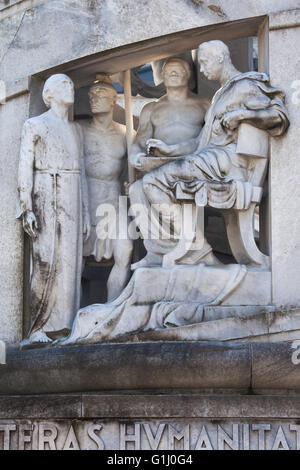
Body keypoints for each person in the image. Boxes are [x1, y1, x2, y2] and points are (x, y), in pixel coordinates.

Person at [130, 41, 289, 268]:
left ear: (220, 58)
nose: (202, 70)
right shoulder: (220, 95)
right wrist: (170, 150)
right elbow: (200, 142)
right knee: (149, 183)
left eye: (204, 63)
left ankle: (195, 248)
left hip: (227, 164)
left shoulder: (244, 86)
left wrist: (242, 115)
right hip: (211, 159)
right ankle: (191, 248)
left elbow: (277, 115)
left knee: (153, 181)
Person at [17, 74, 90, 345]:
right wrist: (27, 208)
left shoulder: (76, 129)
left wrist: (86, 212)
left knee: (71, 262)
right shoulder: (35, 125)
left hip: (72, 192)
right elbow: (25, 165)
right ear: (48, 94)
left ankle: (65, 326)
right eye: (63, 84)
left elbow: (81, 170)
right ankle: (38, 326)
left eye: (71, 83)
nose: (69, 87)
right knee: (46, 260)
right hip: (46, 191)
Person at [129, 57, 211, 268]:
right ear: (162, 77)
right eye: (169, 71)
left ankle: (191, 246)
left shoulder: (204, 104)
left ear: (188, 75)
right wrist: (136, 157)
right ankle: (156, 251)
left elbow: (209, 140)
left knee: (153, 186)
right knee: (136, 190)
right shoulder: (151, 109)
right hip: (158, 167)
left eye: (179, 70)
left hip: (193, 167)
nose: (174, 74)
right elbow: (138, 142)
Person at [81, 77, 133, 301]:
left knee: (125, 250)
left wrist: (134, 182)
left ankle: (112, 310)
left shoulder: (126, 132)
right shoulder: (79, 130)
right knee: (76, 260)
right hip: (85, 200)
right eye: (91, 95)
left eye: (100, 95)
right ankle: (74, 315)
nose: (94, 99)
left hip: (113, 201)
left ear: (114, 100)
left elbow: (137, 165)